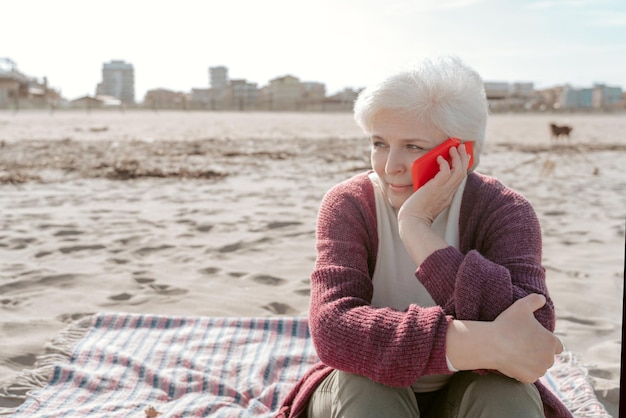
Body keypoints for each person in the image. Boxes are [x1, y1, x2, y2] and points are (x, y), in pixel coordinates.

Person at [277, 55, 571, 418]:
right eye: (380, 143)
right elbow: (332, 330)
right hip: (366, 388)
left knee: (506, 396)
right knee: (368, 392)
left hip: (467, 390)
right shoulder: (350, 204)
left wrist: (417, 229)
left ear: (464, 153)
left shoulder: (505, 210)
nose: (389, 165)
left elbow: (535, 333)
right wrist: (486, 342)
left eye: (413, 147)